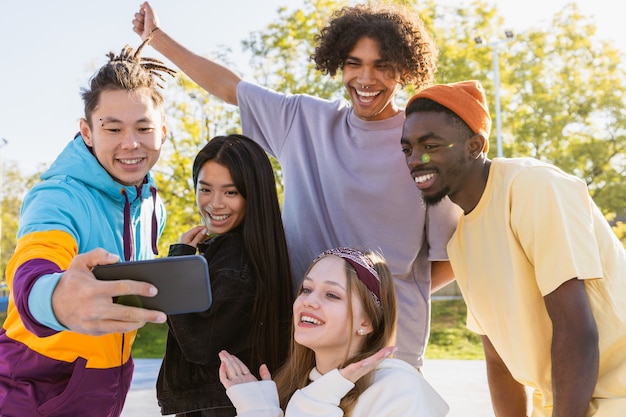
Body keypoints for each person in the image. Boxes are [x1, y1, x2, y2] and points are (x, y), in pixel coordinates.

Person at [132, 1, 461, 369]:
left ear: (404, 69)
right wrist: (156, 38)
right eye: (354, 63)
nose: (366, 78)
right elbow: (229, 87)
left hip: (389, 344)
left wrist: (372, 300)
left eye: (382, 66)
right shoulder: (303, 120)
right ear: (338, 64)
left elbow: (450, 258)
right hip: (304, 341)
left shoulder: (426, 148)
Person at [400, 79, 626, 416]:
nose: (416, 159)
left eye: (430, 145)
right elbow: (500, 361)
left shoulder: (533, 187)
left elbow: (574, 329)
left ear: (474, 146)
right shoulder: (460, 242)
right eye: (408, 149)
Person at [0, 37, 176, 416]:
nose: (130, 144)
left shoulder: (152, 205)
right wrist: (54, 298)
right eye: (112, 129)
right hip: (34, 390)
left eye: (143, 128)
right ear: (87, 131)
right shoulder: (57, 195)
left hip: (107, 385)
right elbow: (34, 264)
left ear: (162, 131)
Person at [218, 247, 449, 416]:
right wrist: (258, 411)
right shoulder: (291, 386)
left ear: (367, 322)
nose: (308, 301)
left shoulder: (397, 388)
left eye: (332, 295)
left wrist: (315, 404)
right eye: (306, 289)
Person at [157, 134, 294, 417]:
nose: (215, 204)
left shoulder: (236, 261)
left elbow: (198, 344)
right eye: (205, 189)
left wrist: (178, 263)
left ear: (251, 195)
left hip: (220, 406)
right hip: (229, 402)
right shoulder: (254, 250)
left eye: (230, 192)